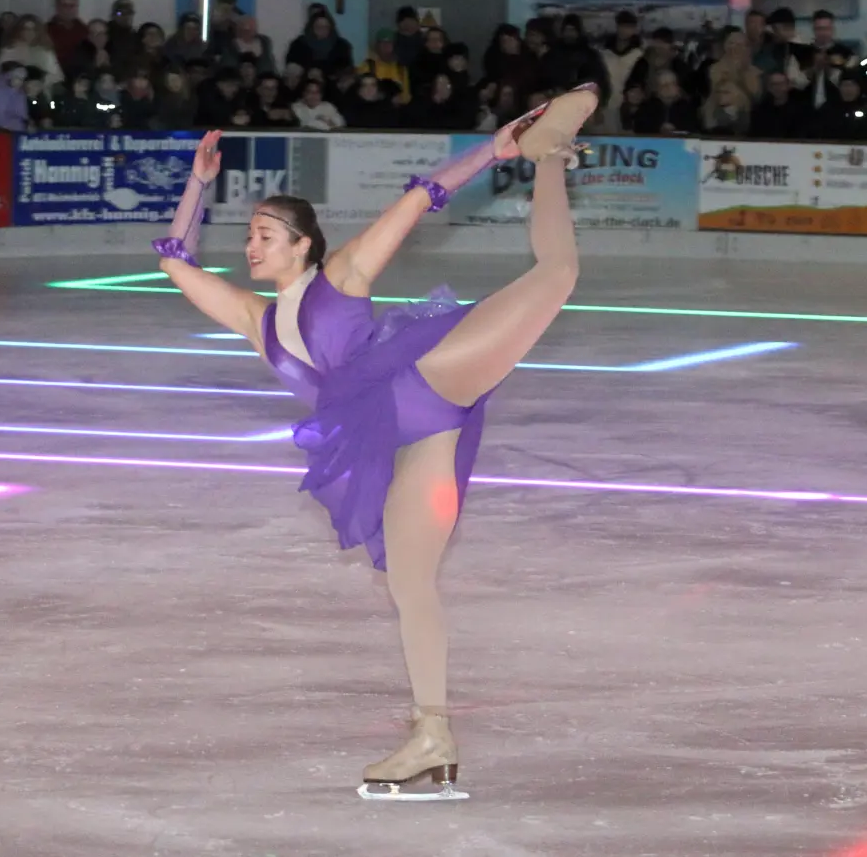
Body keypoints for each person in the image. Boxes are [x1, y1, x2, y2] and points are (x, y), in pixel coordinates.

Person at [151, 82, 599, 800]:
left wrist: (498, 149)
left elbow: (421, 198)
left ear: (303, 244)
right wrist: (197, 187)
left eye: (265, 234)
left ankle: (548, 156)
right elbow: (174, 261)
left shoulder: (342, 275)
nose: (251, 245)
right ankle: (432, 733)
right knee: (407, 581)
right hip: (400, 444)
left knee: (557, 275)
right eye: (248, 234)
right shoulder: (254, 320)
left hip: (426, 380)